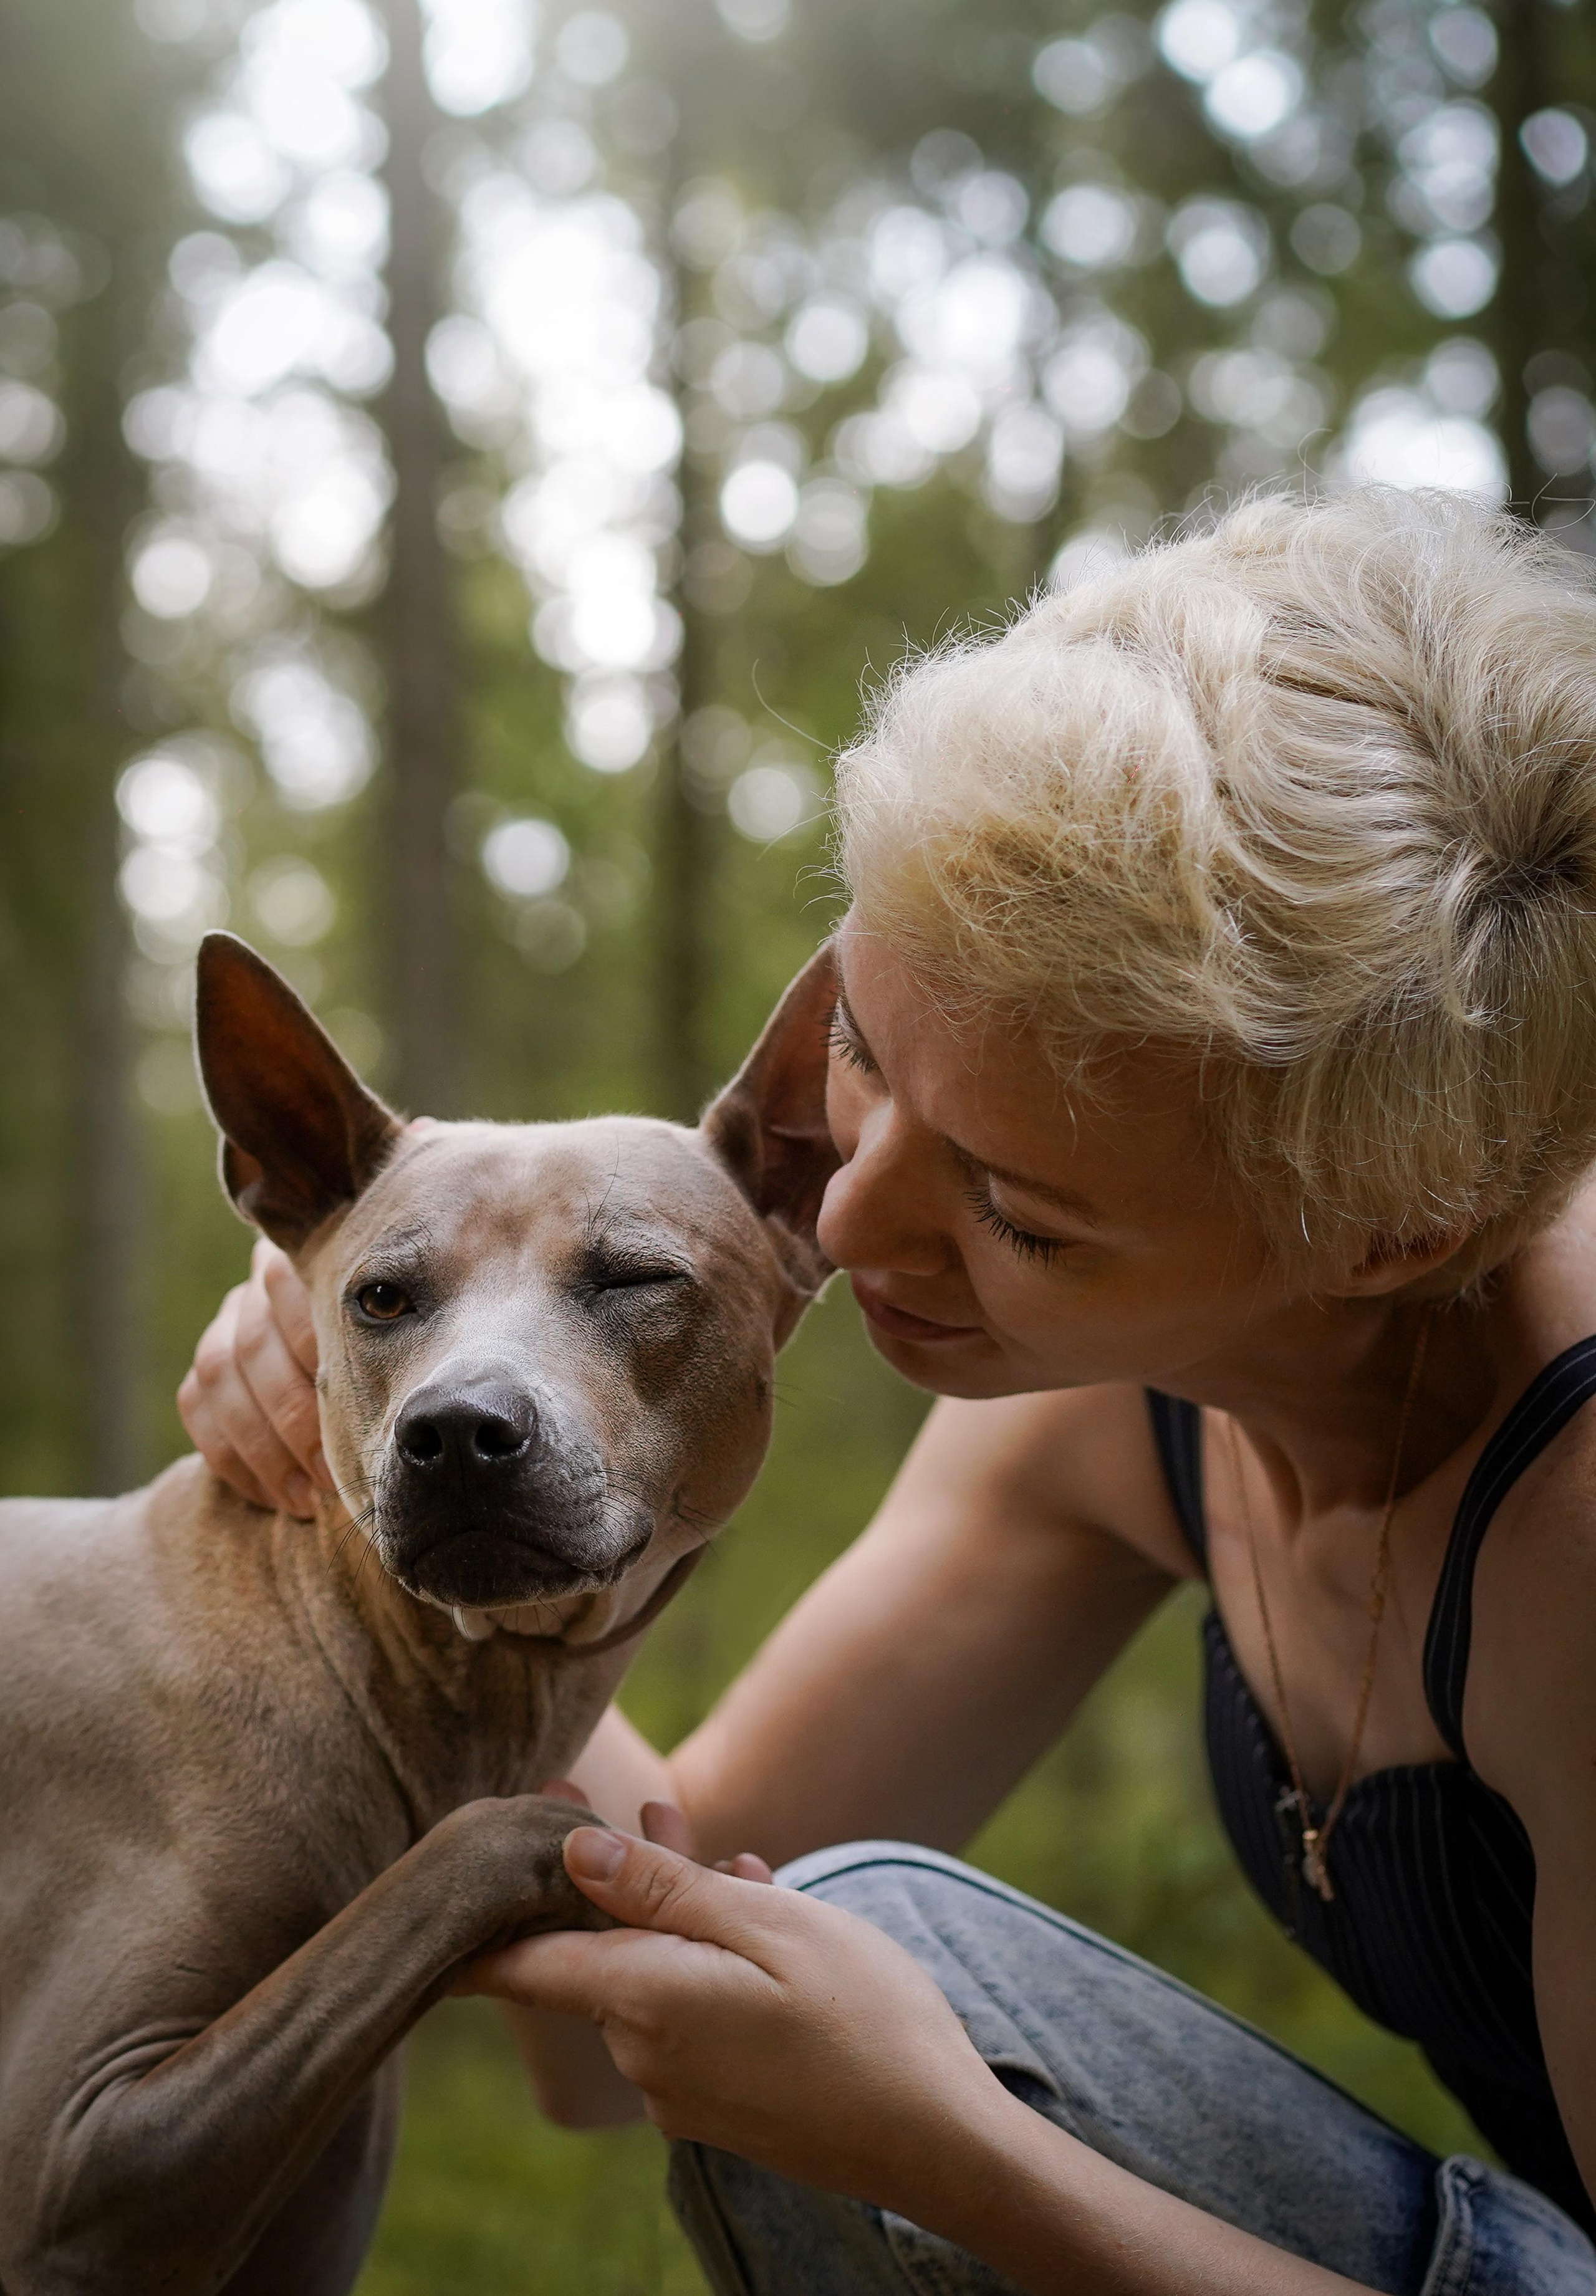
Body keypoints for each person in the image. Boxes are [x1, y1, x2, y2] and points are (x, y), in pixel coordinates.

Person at [180, 489, 1596, 2295]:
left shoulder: (1576, 1538)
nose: (841, 1216)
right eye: (866, 1053)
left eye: (1015, 1206)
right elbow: (641, 1925)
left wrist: (958, 2155)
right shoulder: (1105, 1401)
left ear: (1393, 1233)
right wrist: (377, 1374)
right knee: (832, 1928)